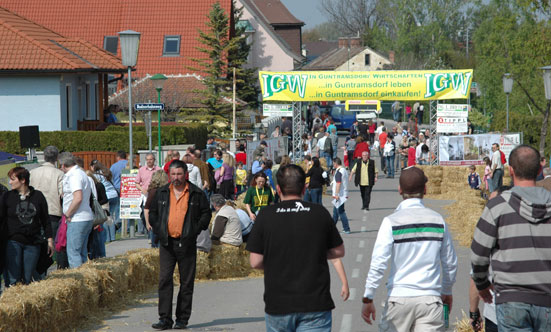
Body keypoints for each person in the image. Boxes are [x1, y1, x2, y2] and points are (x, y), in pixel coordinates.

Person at [246, 164, 345, 332]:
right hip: (315, 303)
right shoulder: (319, 212)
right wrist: (315, 253)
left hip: (278, 303)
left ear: (277, 189)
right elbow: (338, 251)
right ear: (304, 188)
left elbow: (255, 262)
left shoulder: (266, 215)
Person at [362, 167, 457, 330]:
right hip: (430, 300)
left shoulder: (391, 222)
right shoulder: (438, 220)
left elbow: (379, 263)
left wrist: (368, 297)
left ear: (400, 190)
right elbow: (449, 262)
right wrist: (446, 290)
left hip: (399, 299)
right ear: (425, 190)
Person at [471, 145, 551, 331]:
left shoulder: (497, 206)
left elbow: (478, 254)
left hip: (511, 299)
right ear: (539, 169)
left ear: (510, 170)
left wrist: (482, 284)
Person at [149, 160, 211, 330]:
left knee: (186, 282)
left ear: (186, 175)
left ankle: (182, 319)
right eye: (173, 174)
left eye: (179, 174)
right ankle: (165, 319)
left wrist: (195, 230)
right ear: (169, 175)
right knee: (164, 280)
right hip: (167, 243)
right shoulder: (161, 192)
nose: (176, 178)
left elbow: (206, 214)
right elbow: (152, 213)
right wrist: (158, 229)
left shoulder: (196, 193)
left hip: (187, 243)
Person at [1, 167, 53, 285]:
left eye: (13, 179)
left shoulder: (38, 196)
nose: (10, 182)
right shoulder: (7, 197)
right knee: (13, 277)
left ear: (23, 180)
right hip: (13, 241)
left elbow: (45, 219)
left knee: (28, 277)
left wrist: (50, 240)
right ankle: (12, 301)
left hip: (33, 242)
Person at [29, 145, 66, 268]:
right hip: (53, 212)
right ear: (56, 158)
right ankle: (59, 268)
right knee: (55, 243)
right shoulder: (59, 174)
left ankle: (38, 270)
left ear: (44, 157)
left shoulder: (32, 172)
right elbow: (63, 194)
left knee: (37, 243)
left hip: (34, 212)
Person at [59, 152, 94, 269]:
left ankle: (79, 279)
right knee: (82, 253)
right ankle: (86, 278)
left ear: (63, 165)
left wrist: (68, 213)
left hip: (77, 218)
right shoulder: (81, 173)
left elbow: (78, 198)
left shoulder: (74, 176)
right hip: (85, 217)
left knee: (73, 253)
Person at [90, 160, 119, 243]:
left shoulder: (96, 175)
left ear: (93, 167)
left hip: (106, 196)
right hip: (114, 195)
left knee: (105, 217)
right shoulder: (107, 172)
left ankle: (107, 238)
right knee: (111, 217)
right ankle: (113, 237)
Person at [135, 153, 162, 235]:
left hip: (155, 196)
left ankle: (153, 234)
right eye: (147, 159)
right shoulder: (141, 170)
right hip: (145, 196)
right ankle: (148, 230)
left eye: (151, 159)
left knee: (154, 215)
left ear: (154, 160)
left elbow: (163, 182)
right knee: (143, 215)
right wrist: (142, 189)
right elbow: (136, 183)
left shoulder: (159, 170)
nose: (149, 161)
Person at [144, 170, 169, 248]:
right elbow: (147, 208)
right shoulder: (160, 191)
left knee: (155, 244)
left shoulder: (153, 191)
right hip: (160, 220)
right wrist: (148, 223)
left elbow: (146, 208)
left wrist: (147, 222)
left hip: (156, 220)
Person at [332, 157, 350, 234]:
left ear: (335, 164)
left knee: (341, 212)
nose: (333, 165)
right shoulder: (344, 170)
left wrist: (336, 194)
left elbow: (338, 183)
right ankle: (331, 229)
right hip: (343, 194)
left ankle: (346, 228)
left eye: (333, 164)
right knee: (336, 213)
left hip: (339, 195)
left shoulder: (339, 172)